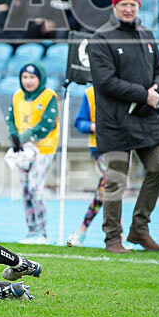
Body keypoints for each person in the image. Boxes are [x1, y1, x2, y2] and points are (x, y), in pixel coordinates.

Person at [88, 0, 159, 254]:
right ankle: (113, 238)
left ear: (138, 6)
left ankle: (139, 229)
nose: (128, 9)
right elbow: (105, 81)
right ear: (115, 6)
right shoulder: (101, 38)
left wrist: (157, 89)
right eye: (123, 4)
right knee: (116, 180)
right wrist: (143, 94)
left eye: (132, 4)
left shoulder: (146, 34)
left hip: (147, 117)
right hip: (116, 121)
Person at [5, 61, 59, 244]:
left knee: (36, 188)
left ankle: (42, 232)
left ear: (40, 78)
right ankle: (31, 231)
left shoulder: (49, 96)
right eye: (25, 77)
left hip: (43, 149)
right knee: (26, 190)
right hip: (23, 150)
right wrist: (14, 137)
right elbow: (10, 118)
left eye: (32, 77)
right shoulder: (17, 96)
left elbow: (47, 124)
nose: (28, 81)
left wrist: (24, 136)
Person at [67, 84, 106, 247]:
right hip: (100, 147)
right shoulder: (90, 93)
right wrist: (93, 126)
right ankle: (117, 234)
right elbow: (80, 122)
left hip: (122, 146)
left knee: (107, 191)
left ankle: (82, 231)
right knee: (109, 188)